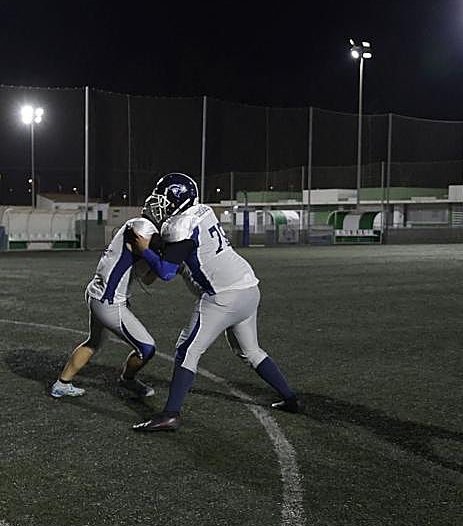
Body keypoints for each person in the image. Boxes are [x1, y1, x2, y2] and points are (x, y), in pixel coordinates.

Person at [129, 172, 297, 432]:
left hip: (223, 295)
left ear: (178, 200)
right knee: (250, 351)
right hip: (249, 287)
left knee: (187, 350)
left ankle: (170, 414)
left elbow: (166, 272)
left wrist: (144, 251)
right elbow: (187, 251)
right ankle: (290, 398)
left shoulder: (179, 225)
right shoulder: (202, 211)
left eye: (164, 198)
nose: (158, 203)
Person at [50, 202, 161, 400]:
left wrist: (162, 263)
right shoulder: (142, 226)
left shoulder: (143, 235)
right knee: (147, 348)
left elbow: (148, 278)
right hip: (109, 302)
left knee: (93, 343)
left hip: (98, 294)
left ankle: (62, 384)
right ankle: (127, 379)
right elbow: (144, 238)